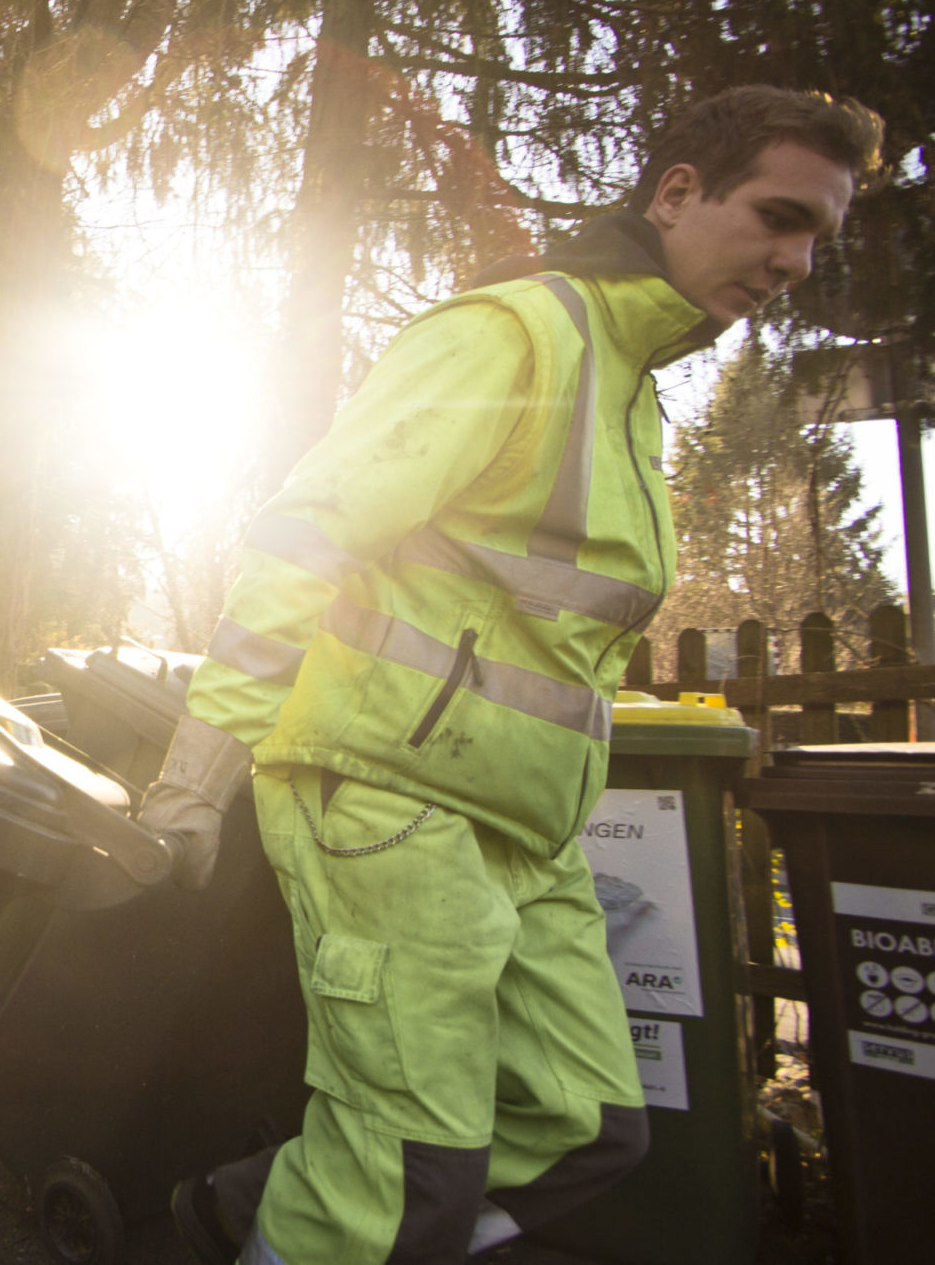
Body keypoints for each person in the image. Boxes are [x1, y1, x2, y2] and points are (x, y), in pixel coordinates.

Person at [139, 86, 883, 1265]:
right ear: (677, 191)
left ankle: (237, 1220)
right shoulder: (513, 335)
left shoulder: (631, 385)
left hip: (524, 831)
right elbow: (300, 537)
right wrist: (194, 772)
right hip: (386, 796)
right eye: (776, 217)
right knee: (400, 1179)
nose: (793, 261)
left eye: (815, 241)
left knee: (587, 1124)